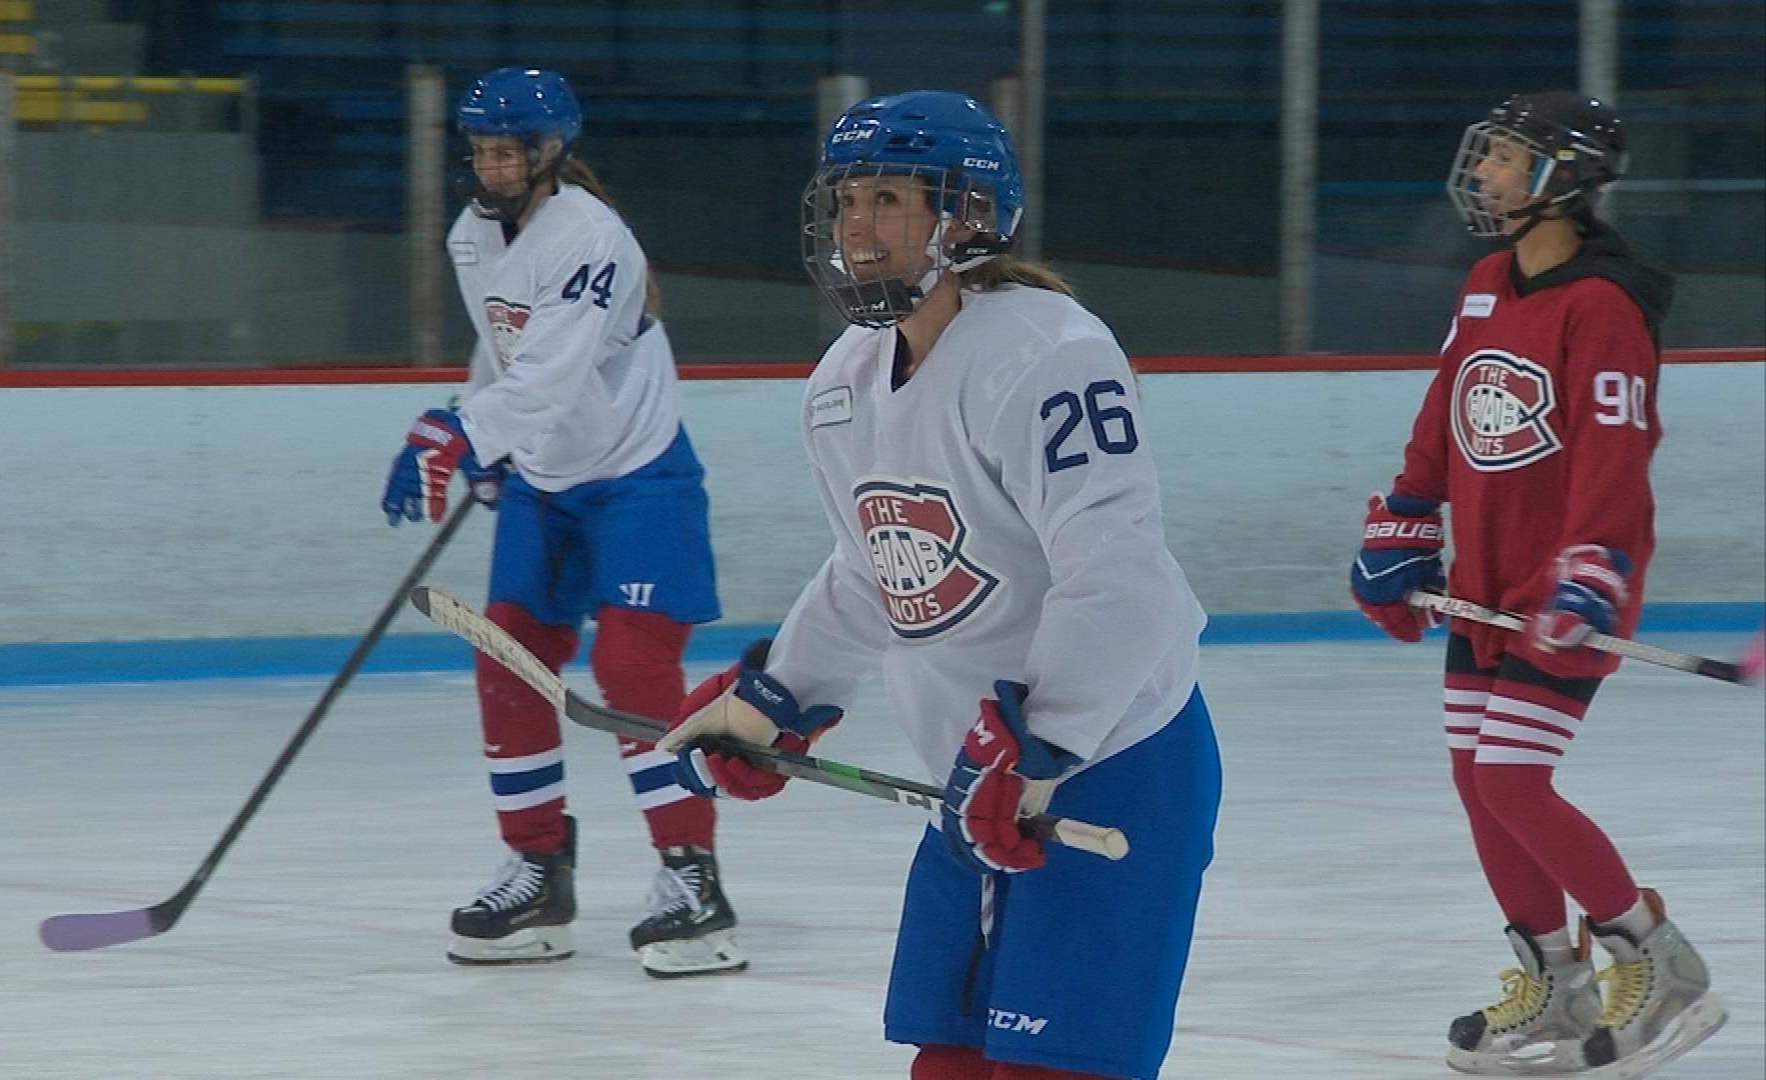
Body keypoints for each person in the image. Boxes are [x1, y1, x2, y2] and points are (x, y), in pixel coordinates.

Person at [658, 91, 1222, 1080]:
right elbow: (872, 575)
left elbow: (1119, 572)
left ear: (964, 215)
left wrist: (1043, 739)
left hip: (1113, 764)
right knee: (947, 1060)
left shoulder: (1050, 355)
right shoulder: (841, 385)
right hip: (977, 783)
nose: (857, 227)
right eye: (845, 202)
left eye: (885, 198)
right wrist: (778, 699)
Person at [1350, 90, 1727, 1075]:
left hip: (1570, 590)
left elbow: (1615, 446)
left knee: (1513, 777)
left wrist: (1593, 566)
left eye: (1508, 158)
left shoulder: (1601, 306)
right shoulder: (1485, 283)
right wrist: (1403, 517)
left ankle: (1657, 956)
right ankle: (1555, 979)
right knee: (1479, 787)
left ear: (1563, 181)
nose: (1485, 174)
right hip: (1484, 580)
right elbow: (1447, 410)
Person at [380, 67, 743, 978]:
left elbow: (550, 375)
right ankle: (538, 871)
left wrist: (462, 431)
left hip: (638, 476)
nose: (493, 167)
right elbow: (502, 349)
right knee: (508, 655)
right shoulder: (471, 234)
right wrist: (484, 432)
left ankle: (691, 877)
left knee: (629, 667)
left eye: (509, 151)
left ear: (549, 153)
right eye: (482, 151)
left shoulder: (591, 238)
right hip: (545, 478)